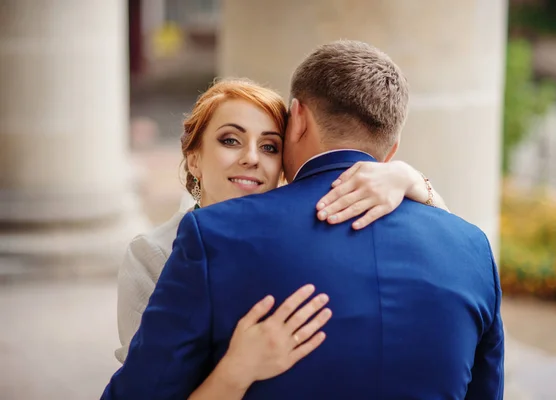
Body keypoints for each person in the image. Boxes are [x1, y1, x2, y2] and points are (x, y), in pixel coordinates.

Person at [103, 40, 502, 400]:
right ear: (392, 148)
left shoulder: (214, 237)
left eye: (269, 145)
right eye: (231, 140)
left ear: (298, 117)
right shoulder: (473, 248)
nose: (252, 158)